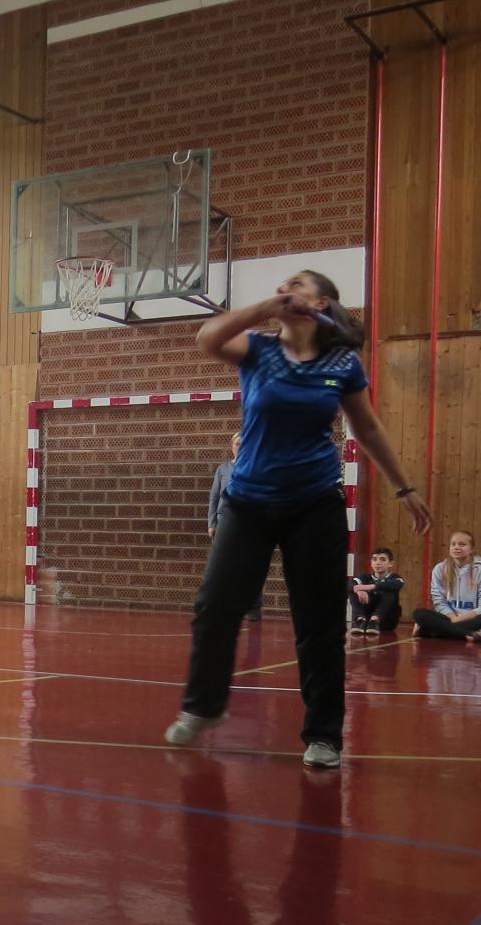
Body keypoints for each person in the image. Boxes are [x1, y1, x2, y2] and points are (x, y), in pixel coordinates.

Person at [166, 270, 432, 768]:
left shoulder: (341, 363)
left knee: (319, 621)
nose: (285, 288)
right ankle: (203, 707)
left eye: (297, 284)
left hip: (314, 504)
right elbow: (207, 337)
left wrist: (404, 487)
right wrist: (266, 307)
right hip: (248, 502)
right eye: (282, 284)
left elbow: (367, 427)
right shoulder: (258, 349)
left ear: (322, 303)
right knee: (215, 606)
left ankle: (324, 735)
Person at [209, 431, 263, 621]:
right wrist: (212, 523)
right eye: (236, 444)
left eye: (243, 444)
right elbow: (214, 497)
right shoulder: (223, 469)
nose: (239, 447)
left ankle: (253, 607)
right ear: (231, 447)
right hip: (225, 520)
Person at [411, 529, 481, 643]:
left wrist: (456, 620)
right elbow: (439, 601)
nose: (456, 547)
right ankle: (470, 634)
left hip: (472, 619)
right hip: (449, 617)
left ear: (471, 549)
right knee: (419, 614)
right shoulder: (440, 569)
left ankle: (429, 631)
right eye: (453, 544)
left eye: (462, 544)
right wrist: (452, 617)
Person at [347, 545, 405, 635]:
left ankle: (375, 620)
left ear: (390, 563)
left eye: (382, 560)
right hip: (366, 618)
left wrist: (369, 587)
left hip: (386, 620)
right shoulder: (365, 577)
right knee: (353, 590)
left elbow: (397, 584)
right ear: (371, 563)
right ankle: (360, 620)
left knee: (389, 590)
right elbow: (350, 585)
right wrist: (358, 590)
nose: (378, 563)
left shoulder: (395, 577)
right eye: (374, 559)